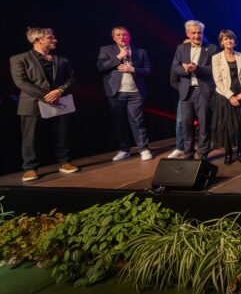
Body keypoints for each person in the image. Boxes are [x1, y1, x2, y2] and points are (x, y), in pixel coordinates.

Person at [10, 27, 80, 181]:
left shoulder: (62, 60)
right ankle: (30, 168)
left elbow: (72, 79)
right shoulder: (19, 59)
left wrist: (60, 91)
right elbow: (21, 83)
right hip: (32, 103)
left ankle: (64, 162)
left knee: (62, 134)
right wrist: (48, 95)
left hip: (59, 101)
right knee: (31, 137)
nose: (55, 40)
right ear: (37, 40)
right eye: (50, 37)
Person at [96, 26, 153, 162]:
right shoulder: (106, 50)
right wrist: (118, 57)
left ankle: (143, 149)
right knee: (119, 122)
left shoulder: (140, 51)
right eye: (118, 35)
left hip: (135, 93)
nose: (122, 37)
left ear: (129, 36)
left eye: (124, 34)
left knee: (137, 121)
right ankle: (124, 150)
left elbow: (148, 70)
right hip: (116, 93)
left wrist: (133, 69)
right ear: (114, 37)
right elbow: (101, 67)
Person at [171, 20, 217, 160]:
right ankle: (189, 154)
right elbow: (175, 67)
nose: (197, 35)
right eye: (194, 33)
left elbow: (213, 70)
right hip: (186, 92)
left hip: (203, 92)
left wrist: (197, 68)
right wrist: (185, 69)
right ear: (187, 33)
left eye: (200, 33)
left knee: (204, 125)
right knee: (186, 125)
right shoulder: (181, 48)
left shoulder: (212, 48)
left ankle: (203, 154)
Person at [211, 29, 241, 164]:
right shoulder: (216, 58)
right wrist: (230, 97)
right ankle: (228, 153)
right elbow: (217, 80)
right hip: (224, 95)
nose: (229, 41)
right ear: (221, 42)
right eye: (225, 39)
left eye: (231, 38)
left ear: (235, 41)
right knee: (227, 126)